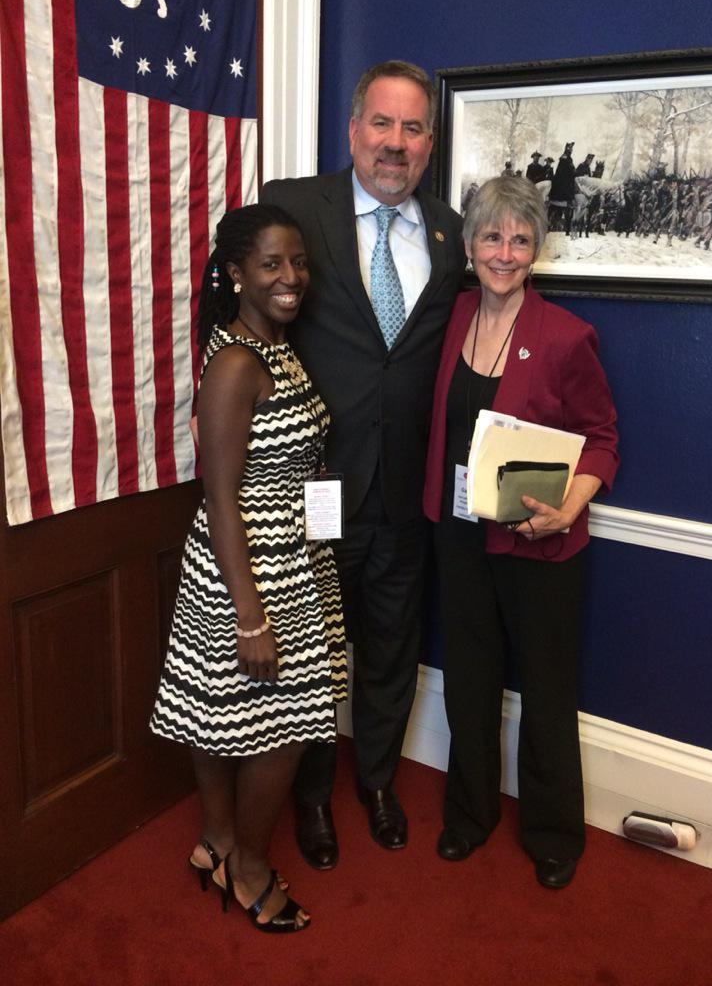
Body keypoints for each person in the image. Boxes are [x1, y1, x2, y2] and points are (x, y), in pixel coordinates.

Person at [261, 60, 466, 869]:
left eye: (413, 128)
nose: (396, 143)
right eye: (382, 123)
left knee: (390, 645)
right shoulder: (292, 208)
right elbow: (233, 298)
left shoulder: (450, 234)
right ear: (353, 131)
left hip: (406, 490)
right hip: (316, 484)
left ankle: (377, 781)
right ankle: (312, 795)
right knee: (313, 655)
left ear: (428, 145)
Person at [150, 204, 347, 931]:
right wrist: (251, 617)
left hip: (292, 556)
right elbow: (220, 497)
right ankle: (251, 870)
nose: (290, 277)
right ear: (236, 273)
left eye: (297, 262)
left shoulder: (274, 346)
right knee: (283, 728)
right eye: (270, 264)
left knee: (221, 711)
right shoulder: (237, 364)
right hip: (250, 570)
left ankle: (217, 842)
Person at [423, 176, 619, 889]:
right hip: (459, 535)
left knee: (546, 687)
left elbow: (603, 439)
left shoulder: (565, 336)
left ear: (536, 249)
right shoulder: (450, 316)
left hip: (540, 542)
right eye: (491, 236)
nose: (504, 253)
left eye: (520, 239)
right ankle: (468, 815)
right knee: (469, 679)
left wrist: (570, 506)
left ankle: (553, 832)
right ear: (470, 244)